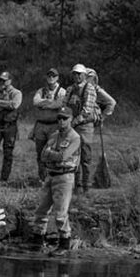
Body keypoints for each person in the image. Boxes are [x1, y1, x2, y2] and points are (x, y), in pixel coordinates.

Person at [31, 106, 81, 253]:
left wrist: (51, 154)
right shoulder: (54, 135)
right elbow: (42, 155)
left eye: (64, 118)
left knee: (60, 213)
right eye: (59, 118)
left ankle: (64, 243)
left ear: (70, 119)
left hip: (65, 177)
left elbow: (63, 156)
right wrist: (54, 154)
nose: (61, 121)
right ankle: (38, 240)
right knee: (41, 210)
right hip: (50, 175)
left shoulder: (75, 138)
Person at [64, 64, 98, 193]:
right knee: (73, 156)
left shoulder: (89, 89)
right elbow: (64, 106)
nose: (77, 76)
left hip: (85, 127)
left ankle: (86, 186)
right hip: (72, 126)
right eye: (75, 74)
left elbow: (86, 111)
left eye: (79, 74)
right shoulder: (69, 89)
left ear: (84, 75)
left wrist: (72, 122)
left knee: (85, 157)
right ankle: (76, 185)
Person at [30, 67, 67, 181]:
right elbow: (35, 102)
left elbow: (60, 104)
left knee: (53, 152)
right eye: (49, 76)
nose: (51, 78)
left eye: (54, 76)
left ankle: (53, 178)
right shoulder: (41, 90)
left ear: (57, 77)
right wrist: (51, 103)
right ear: (46, 77)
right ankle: (42, 178)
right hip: (40, 125)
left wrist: (46, 104)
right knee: (40, 153)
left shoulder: (62, 91)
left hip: (54, 125)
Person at [0, 70, 22, 182]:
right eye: (1, 80)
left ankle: (4, 179)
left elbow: (14, 105)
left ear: (10, 81)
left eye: (4, 80)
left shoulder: (17, 93)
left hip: (10, 126)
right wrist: (6, 105)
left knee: (8, 152)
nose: (2, 82)